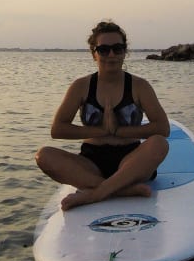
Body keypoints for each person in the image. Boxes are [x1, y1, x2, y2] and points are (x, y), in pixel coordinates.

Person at [35, 20, 169, 211]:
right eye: (104, 49)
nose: (111, 55)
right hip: (91, 162)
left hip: (130, 160)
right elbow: (58, 129)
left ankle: (95, 193)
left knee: (159, 143)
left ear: (125, 52)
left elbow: (162, 128)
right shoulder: (81, 86)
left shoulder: (139, 86)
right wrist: (101, 131)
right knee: (44, 156)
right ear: (94, 53)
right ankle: (121, 190)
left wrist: (118, 131)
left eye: (117, 48)